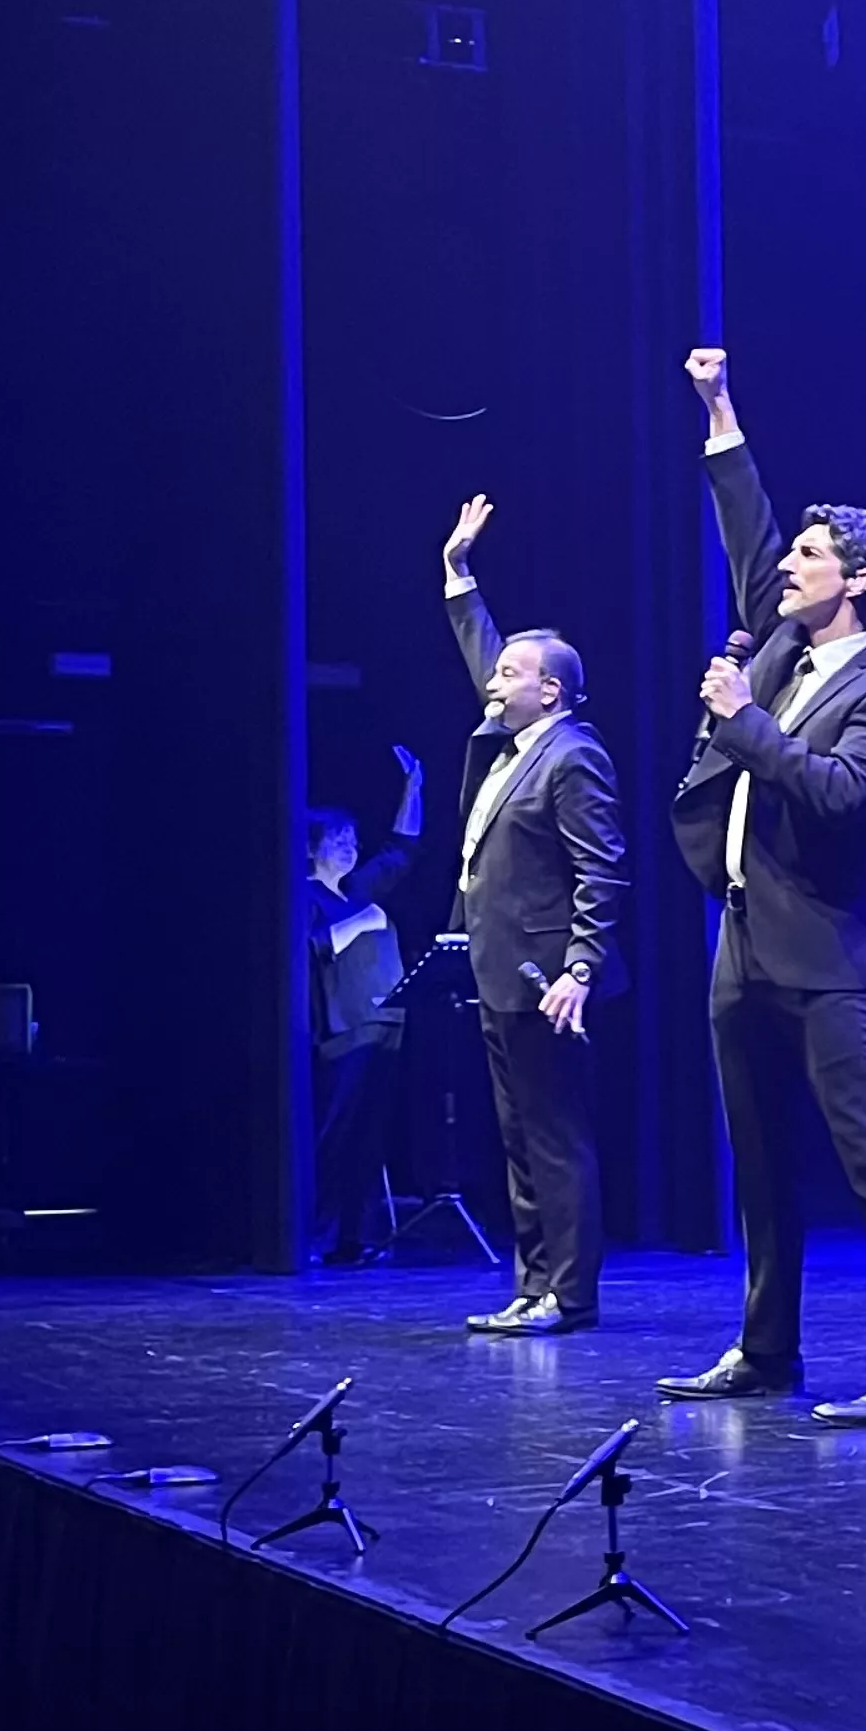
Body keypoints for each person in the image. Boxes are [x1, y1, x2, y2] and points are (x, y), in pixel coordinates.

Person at [656, 352, 866, 1425]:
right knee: (760, 1160)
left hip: (826, 950)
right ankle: (766, 1350)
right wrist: (720, 411)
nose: (789, 567)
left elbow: (832, 793)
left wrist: (742, 717)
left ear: (857, 581)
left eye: (812, 556)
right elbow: (749, 532)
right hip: (742, 938)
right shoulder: (783, 642)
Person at [436, 493, 628, 1336]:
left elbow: (605, 869)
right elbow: (487, 650)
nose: (494, 679)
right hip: (501, 973)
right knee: (519, 1139)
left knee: (556, 1139)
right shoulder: (521, 739)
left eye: (512, 674)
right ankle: (533, 1281)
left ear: (550, 692)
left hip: (550, 980)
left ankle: (571, 1295)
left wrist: (580, 969)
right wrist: (460, 575)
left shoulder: (574, 756)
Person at [301, 749, 424, 1266]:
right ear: (311, 851)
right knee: (336, 1133)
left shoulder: (358, 888)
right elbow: (307, 949)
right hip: (342, 1033)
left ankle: (358, 1237)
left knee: (370, 1138)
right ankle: (319, 1236)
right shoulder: (304, 896)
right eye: (338, 841)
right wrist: (358, 925)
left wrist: (413, 789)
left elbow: (401, 849)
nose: (349, 849)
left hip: (384, 1026)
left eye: (352, 840)